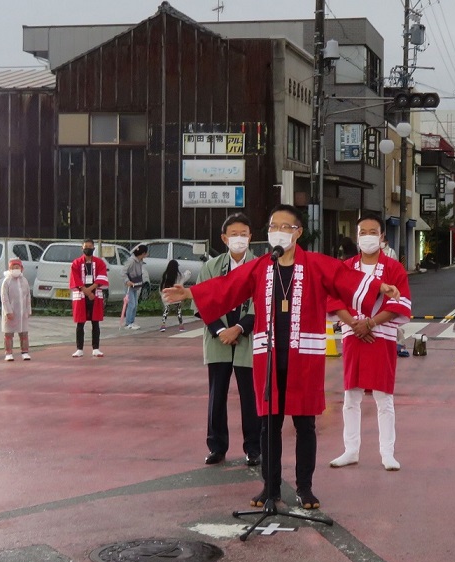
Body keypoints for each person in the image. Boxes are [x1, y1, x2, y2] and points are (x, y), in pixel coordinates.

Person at [163, 204, 401, 510]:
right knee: (269, 424)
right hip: (269, 354)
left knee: (305, 424)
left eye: (285, 227)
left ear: (298, 232)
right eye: (273, 226)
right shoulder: (262, 265)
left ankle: (305, 487)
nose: (278, 231)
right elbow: (229, 286)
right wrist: (191, 294)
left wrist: (380, 286)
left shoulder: (315, 264)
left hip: (305, 355)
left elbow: (346, 279)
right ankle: (270, 487)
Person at [327, 213, 412, 471]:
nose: (367, 237)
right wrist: (355, 324)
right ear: (356, 236)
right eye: (362, 232)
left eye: (372, 232)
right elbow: (334, 300)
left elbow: (400, 303)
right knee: (350, 396)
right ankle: (350, 450)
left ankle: (387, 452)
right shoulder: (347, 266)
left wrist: (371, 323)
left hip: (381, 336)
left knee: (383, 396)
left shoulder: (394, 268)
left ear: (382, 236)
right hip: (353, 335)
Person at [197, 213, 261, 467]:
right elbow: (202, 303)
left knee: (250, 396)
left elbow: (263, 303)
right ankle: (217, 446)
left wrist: (239, 328)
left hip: (248, 339)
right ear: (224, 238)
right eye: (233, 234)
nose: (239, 239)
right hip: (218, 340)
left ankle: (254, 448)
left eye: (243, 234)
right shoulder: (211, 268)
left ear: (251, 237)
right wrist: (219, 331)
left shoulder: (260, 266)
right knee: (216, 395)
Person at [69, 239, 108, 358]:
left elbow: (102, 278)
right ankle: (79, 349)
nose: (88, 249)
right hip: (81, 294)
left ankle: (96, 348)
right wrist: (86, 291)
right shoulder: (76, 263)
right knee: (80, 323)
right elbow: (75, 279)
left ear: (94, 248)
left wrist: (91, 290)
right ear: (82, 248)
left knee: (95, 322)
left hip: (95, 293)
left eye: (90, 247)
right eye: (86, 246)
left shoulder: (100, 262)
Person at [0, 258, 32, 361]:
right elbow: (4, 298)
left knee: (24, 332)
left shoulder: (24, 280)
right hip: (11, 312)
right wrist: (8, 311)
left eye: (17, 267)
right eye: (13, 268)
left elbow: (28, 296)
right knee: (8, 333)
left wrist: (28, 310)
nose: (15, 269)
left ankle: (25, 352)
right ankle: (8, 353)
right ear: (9, 269)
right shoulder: (6, 281)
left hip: (22, 312)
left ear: (21, 268)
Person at [123, 244, 148, 330]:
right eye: (146, 253)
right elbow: (123, 272)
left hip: (135, 284)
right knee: (131, 304)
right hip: (129, 285)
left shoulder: (139, 261)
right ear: (143, 253)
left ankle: (131, 321)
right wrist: (127, 281)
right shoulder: (131, 261)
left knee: (135, 304)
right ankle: (128, 323)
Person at [159, 260, 185, 332]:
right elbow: (181, 282)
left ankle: (163, 325)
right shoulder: (179, 275)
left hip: (167, 295)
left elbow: (161, 286)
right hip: (175, 295)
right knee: (178, 310)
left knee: (166, 310)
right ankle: (181, 326)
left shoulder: (165, 274)